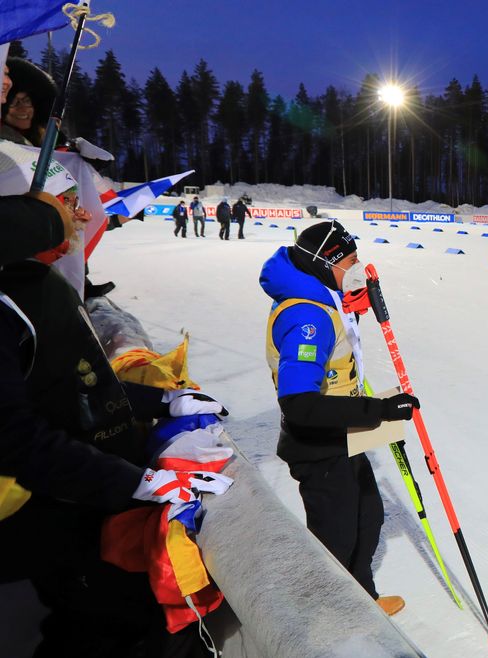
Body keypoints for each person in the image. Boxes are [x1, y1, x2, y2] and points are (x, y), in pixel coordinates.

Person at [0, 191, 230, 653]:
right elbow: (15, 439)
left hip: (77, 500)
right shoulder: (11, 303)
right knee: (97, 627)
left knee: (109, 616)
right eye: (66, 206)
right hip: (33, 510)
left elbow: (78, 386)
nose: (82, 216)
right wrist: (137, 482)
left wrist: (163, 402)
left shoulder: (34, 283)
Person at [259, 220, 413, 616]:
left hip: (344, 435)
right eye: (351, 260)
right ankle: (329, 621)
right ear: (325, 264)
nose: (359, 266)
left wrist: (355, 309)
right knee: (336, 538)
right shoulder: (306, 321)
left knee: (369, 517)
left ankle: (361, 599)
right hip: (319, 446)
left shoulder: (324, 297)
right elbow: (300, 405)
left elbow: (338, 364)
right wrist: (377, 412)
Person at [1, 57, 56, 147]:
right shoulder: (4, 144)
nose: (23, 109)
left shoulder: (46, 137)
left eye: (26, 101)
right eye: (13, 102)